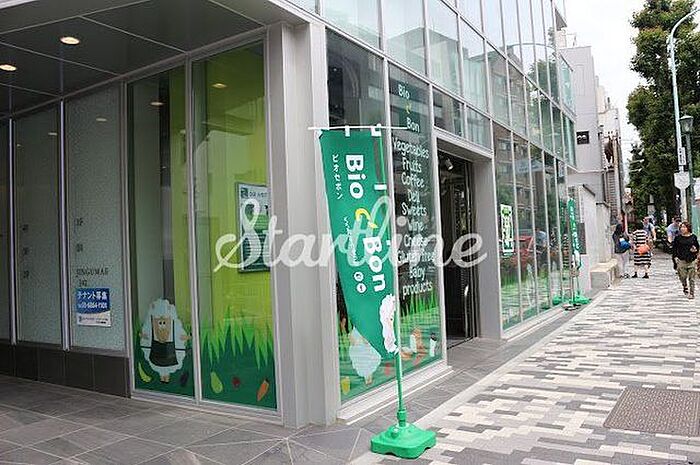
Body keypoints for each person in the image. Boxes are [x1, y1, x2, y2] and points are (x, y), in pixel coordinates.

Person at [671, 221, 700, 299]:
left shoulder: (693, 237)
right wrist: (675, 257)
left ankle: (692, 293)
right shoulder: (678, 238)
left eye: (684, 227)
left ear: (688, 228)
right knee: (682, 277)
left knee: (692, 278)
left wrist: (695, 250)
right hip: (681, 260)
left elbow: (697, 247)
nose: (682, 229)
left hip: (692, 259)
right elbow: (674, 249)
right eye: (681, 227)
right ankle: (685, 286)